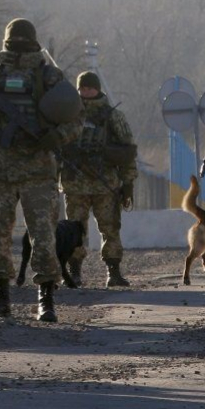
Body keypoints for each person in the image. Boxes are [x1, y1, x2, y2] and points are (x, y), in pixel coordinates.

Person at [0, 18, 82, 322]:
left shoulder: (49, 77)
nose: (18, 48)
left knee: (43, 236)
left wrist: (55, 137)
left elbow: (75, 120)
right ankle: (2, 294)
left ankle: (45, 296)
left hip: (37, 171)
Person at [60, 70, 137, 288]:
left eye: (89, 88)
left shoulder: (113, 116)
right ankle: (74, 272)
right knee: (74, 230)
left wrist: (128, 182)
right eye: (82, 88)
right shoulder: (69, 114)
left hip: (106, 185)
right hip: (75, 185)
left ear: (98, 88)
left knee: (110, 228)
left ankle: (113, 272)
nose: (86, 92)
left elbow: (128, 151)